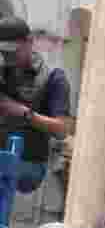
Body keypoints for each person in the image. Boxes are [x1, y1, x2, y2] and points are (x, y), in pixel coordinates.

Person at [0, 16, 71, 199]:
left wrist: (23, 113)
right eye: (4, 52)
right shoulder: (3, 70)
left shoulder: (53, 77)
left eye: (13, 52)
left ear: (30, 42)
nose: (8, 58)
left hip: (30, 164)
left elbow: (62, 129)